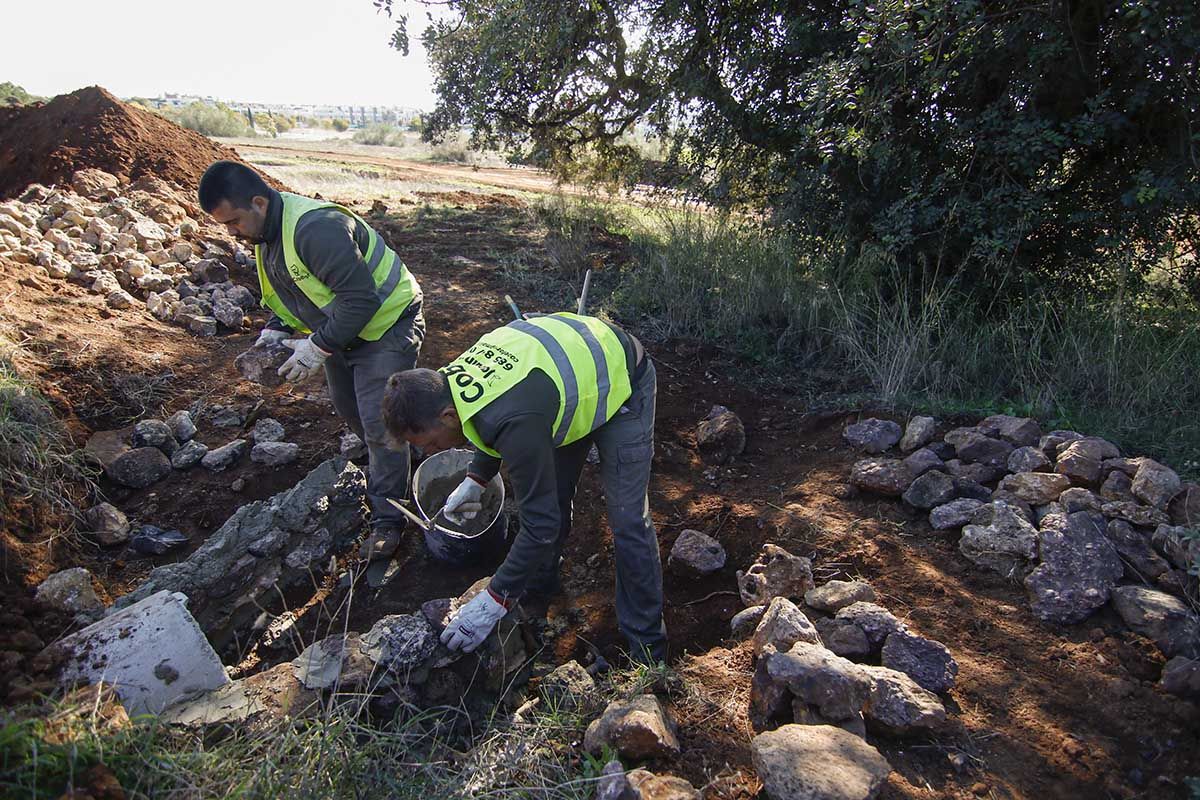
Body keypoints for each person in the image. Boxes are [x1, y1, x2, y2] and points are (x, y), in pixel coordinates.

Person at [381, 311, 667, 664]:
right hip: (563, 389)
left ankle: (648, 651)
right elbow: (486, 417)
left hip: (621, 379)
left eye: (425, 443)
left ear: (446, 418)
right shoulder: (447, 386)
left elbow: (539, 522)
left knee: (627, 521)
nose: (426, 452)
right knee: (555, 496)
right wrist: (477, 477)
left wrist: (494, 600)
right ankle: (538, 589)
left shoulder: (517, 420)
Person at [198, 160, 424, 560]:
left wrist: (317, 347)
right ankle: (405, 450)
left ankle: (390, 518)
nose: (231, 233)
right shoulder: (267, 235)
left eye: (233, 221)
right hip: (342, 330)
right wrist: (277, 326)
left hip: (386, 324)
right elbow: (293, 287)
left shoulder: (315, 229)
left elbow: (361, 299)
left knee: (379, 423)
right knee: (349, 408)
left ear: (259, 202)